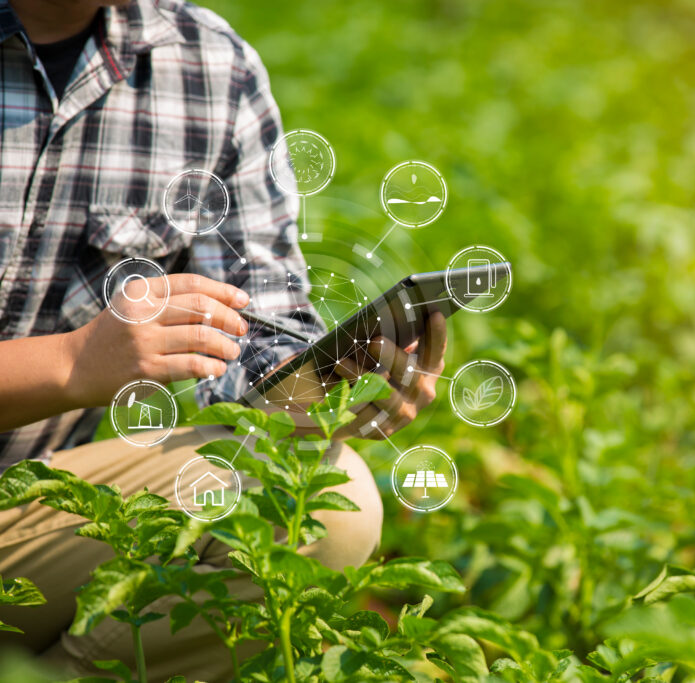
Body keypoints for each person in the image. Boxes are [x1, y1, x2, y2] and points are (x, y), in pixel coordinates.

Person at [0, 0, 446, 678]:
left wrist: (318, 385)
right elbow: (79, 362)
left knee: (322, 504)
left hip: (26, 513)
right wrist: (73, 363)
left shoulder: (209, 66)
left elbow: (260, 330)